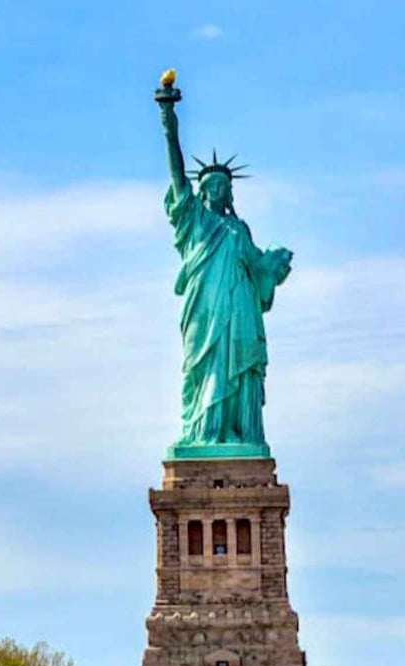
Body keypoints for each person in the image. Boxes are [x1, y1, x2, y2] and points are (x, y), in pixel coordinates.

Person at [155, 71, 292, 454]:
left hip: (239, 312)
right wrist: (169, 122)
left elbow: (259, 268)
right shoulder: (196, 221)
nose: (217, 190)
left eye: (223, 186)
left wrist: (276, 264)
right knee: (202, 369)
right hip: (204, 309)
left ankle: (235, 433)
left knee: (239, 369)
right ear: (202, 191)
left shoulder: (238, 228)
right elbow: (177, 175)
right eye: (210, 186)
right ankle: (203, 432)